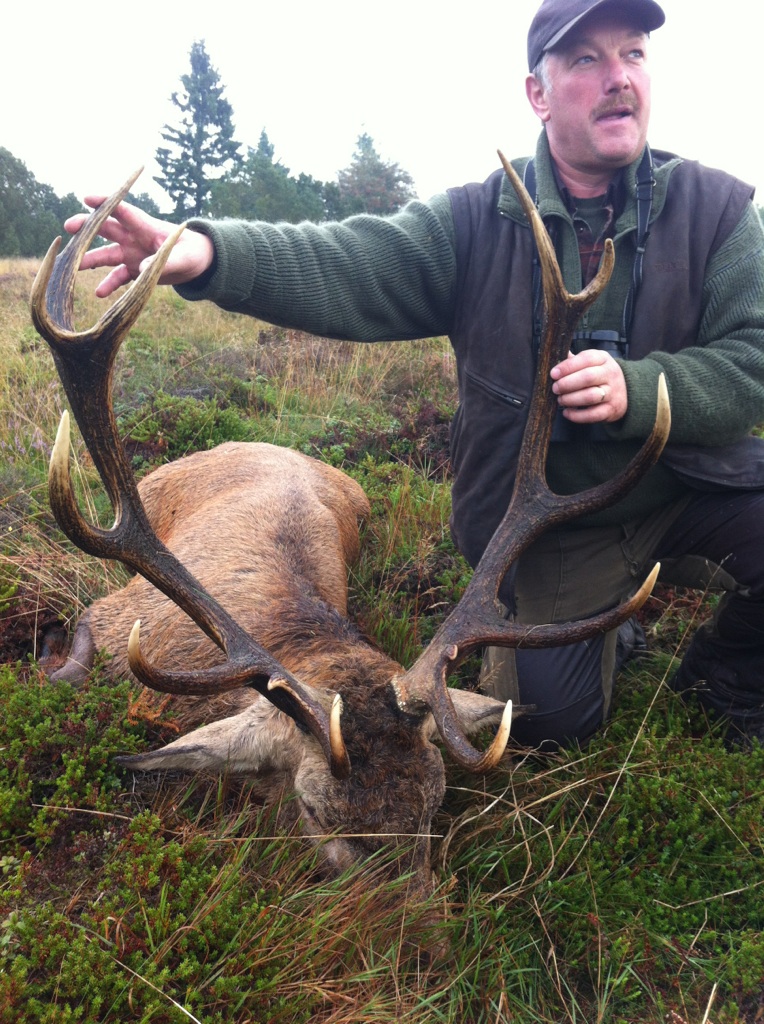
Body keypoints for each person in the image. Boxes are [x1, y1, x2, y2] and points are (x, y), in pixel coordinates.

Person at [65, 0, 764, 748]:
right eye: (586, 60)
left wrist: (645, 389)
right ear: (538, 92)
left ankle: (723, 672)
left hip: (690, 487)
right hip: (556, 532)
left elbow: (753, 360)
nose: (618, 78)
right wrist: (208, 254)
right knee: (549, 727)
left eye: (633, 54)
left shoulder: (719, 211)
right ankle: (574, 633)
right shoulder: (471, 225)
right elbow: (351, 261)